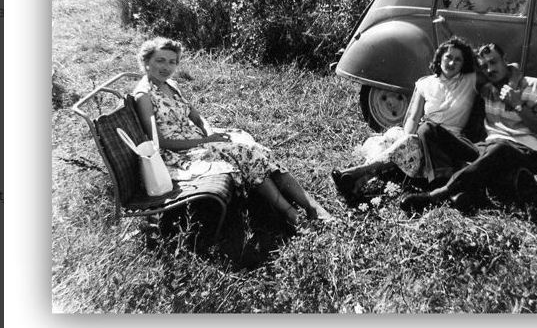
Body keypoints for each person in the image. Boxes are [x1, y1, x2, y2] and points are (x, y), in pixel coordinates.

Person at [133, 37, 331, 228]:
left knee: (251, 147)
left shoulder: (170, 85)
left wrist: (209, 132)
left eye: (172, 62)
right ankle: (293, 213)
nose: (166, 67)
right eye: (160, 60)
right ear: (146, 61)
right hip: (178, 154)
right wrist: (208, 140)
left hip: (198, 140)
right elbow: (160, 143)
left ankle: (313, 207)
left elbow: (196, 116)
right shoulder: (145, 95)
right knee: (246, 154)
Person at [400, 42, 537, 213]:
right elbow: (459, 61)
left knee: (501, 146)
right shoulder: (488, 88)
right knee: (428, 129)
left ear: (505, 61)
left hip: (521, 153)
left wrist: (518, 105)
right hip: (487, 149)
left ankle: (438, 195)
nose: (489, 69)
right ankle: (453, 191)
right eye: (484, 66)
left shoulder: (534, 85)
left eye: (493, 62)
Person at [331, 36, 481, 202]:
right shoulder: (425, 83)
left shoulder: (469, 81)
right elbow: (412, 118)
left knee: (401, 143)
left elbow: (499, 65)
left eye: (458, 60)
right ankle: (357, 183)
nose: (452, 63)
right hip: (421, 137)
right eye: (448, 57)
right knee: (391, 137)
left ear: (464, 63)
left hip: (446, 144)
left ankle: (358, 172)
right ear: (440, 58)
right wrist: (409, 137)